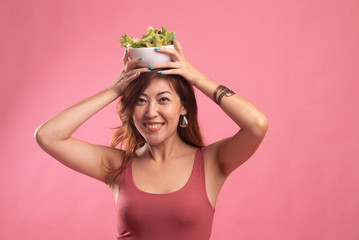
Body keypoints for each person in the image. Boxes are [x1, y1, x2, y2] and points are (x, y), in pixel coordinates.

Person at [35, 36, 268, 240]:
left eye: (163, 99)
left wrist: (195, 77)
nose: (150, 112)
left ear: (184, 106)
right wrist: (114, 90)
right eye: (140, 100)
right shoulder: (117, 166)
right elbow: (48, 136)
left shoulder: (211, 162)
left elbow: (256, 125)